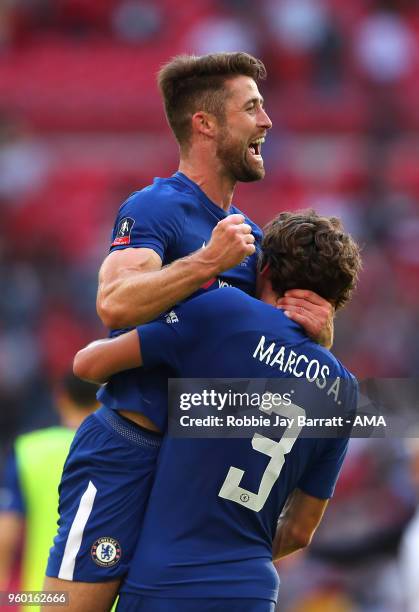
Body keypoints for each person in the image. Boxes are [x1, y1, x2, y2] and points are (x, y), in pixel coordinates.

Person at [45, 52, 333, 611]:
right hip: (128, 450)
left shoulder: (250, 237)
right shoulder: (156, 208)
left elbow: (265, 352)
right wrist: (206, 261)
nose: (267, 121)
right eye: (251, 108)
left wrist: (318, 336)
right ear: (205, 123)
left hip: (198, 467)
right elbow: (115, 302)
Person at [75, 211, 361, 612]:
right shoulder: (343, 391)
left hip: (165, 583)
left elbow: (89, 367)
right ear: (335, 301)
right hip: (250, 591)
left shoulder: (224, 311)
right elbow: (298, 532)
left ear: (263, 268)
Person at [0, 373, 99, 611]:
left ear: (61, 398)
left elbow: (5, 536)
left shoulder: (29, 450)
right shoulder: (122, 450)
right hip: (104, 599)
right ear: (103, 399)